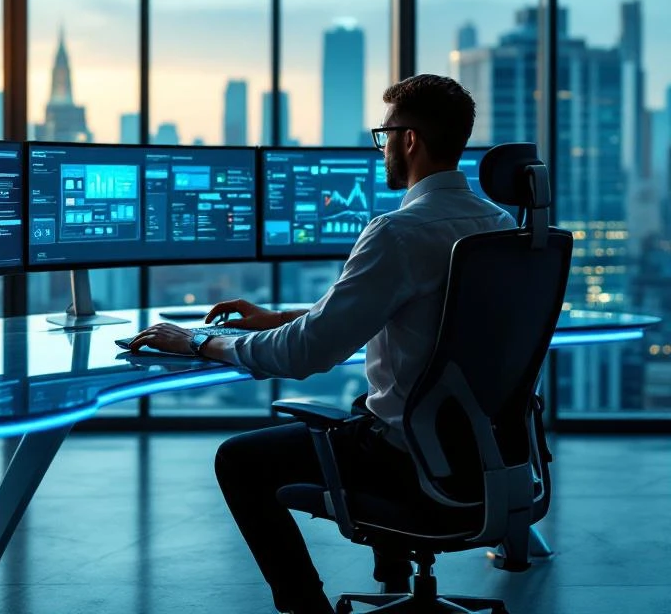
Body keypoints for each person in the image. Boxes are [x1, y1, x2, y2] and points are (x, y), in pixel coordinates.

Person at [128, 74, 516, 614]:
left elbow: (304, 355)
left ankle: (306, 611)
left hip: (409, 459)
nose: (382, 151)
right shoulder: (498, 227)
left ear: (408, 140)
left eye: (384, 136)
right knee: (361, 410)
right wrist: (276, 318)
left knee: (239, 461)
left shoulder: (399, 232)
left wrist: (196, 341)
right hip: (488, 454)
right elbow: (399, 312)